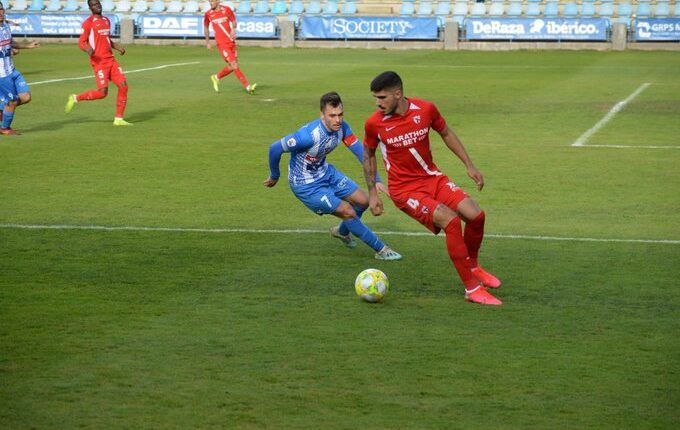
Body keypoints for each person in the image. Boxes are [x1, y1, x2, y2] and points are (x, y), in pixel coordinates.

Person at [363, 71, 502, 305]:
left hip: (432, 178)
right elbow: (368, 153)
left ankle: (473, 266)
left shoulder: (426, 109)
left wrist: (469, 165)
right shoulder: (375, 123)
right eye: (376, 98)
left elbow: (446, 132)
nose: (378, 103)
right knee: (451, 221)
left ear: (398, 94)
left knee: (476, 216)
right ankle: (471, 289)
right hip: (404, 190)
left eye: (383, 97)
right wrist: (373, 193)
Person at [264, 91, 401, 261]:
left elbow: (361, 152)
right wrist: (275, 175)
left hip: (326, 172)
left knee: (363, 201)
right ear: (322, 115)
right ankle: (382, 249)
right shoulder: (307, 137)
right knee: (348, 212)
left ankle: (342, 232)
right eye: (332, 115)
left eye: (340, 114)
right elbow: (274, 148)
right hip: (306, 185)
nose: (337, 120)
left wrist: (377, 180)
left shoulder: (342, 128)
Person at [64, 0, 131, 126]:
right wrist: (87, 49)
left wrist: (117, 47)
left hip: (111, 60)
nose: (97, 6)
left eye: (98, 4)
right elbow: (81, 42)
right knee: (102, 93)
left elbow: (106, 39)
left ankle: (118, 119)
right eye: (94, 5)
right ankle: (75, 98)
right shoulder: (88, 23)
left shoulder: (106, 20)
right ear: (90, 8)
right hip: (99, 62)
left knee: (123, 85)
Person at [0, 2, 39, 136]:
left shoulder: (5, 26)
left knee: (26, 97)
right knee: (13, 101)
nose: (0, 13)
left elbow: (10, 43)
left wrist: (28, 46)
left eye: (1, 9)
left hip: (12, 70)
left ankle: (3, 109)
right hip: (2, 75)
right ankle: (4, 128)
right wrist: (9, 52)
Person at [204, 0, 256, 95]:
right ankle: (248, 86)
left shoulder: (226, 9)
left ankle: (216, 77)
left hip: (231, 42)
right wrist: (207, 42)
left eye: (212, 1)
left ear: (218, 1)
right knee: (234, 65)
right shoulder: (208, 14)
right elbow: (206, 27)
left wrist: (233, 29)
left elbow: (234, 21)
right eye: (209, 1)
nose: (210, 3)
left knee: (232, 67)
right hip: (221, 44)